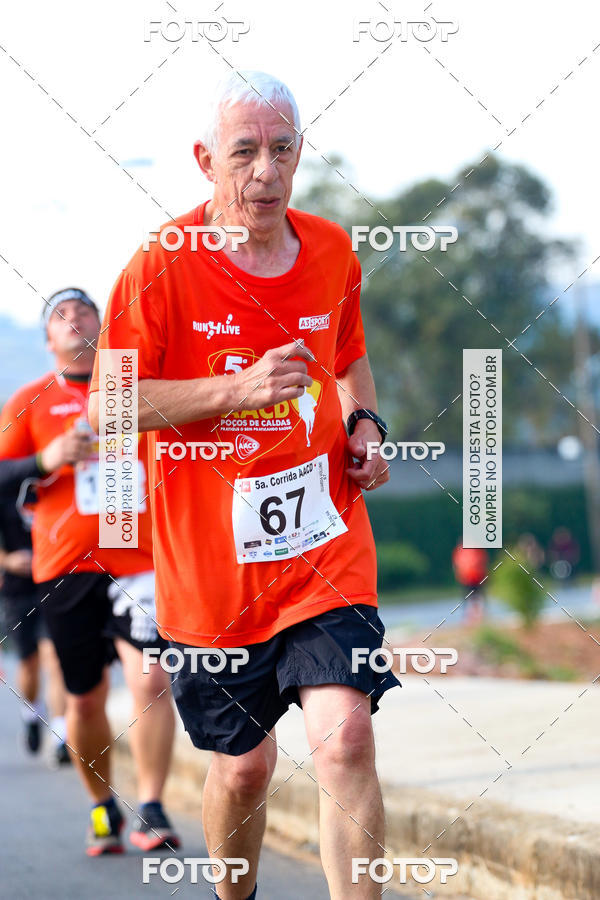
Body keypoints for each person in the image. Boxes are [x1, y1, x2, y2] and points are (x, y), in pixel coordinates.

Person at [89, 71, 399, 899]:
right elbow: (110, 404)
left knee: (345, 741)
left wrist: (366, 427)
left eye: (282, 149)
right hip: (209, 577)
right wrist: (234, 390)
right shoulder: (161, 264)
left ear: (302, 154)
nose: (266, 169)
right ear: (205, 160)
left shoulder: (332, 251)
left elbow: (349, 360)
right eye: (245, 152)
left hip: (323, 550)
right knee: (244, 768)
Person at [0, 287, 179, 855]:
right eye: (61, 315)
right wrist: (46, 462)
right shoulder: (31, 401)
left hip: (137, 559)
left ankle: (150, 806)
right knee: (84, 700)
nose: (74, 319)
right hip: (66, 567)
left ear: (103, 328)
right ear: (48, 339)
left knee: (151, 679)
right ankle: (103, 806)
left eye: (85, 311)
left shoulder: (137, 391)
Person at [0, 483, 69, 764]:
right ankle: (31, 712)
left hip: (54, 583)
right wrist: (7, 560)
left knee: (55, 659)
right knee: (29, 665)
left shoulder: (56, 480)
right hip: (17, 589)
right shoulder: (5, 485)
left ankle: (60, 736)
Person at [452, 542, 489, 624]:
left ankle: (481, 616)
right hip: (466, 579)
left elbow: (483, 561)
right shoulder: (461, 550)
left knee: (479, 598)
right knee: (467, 598)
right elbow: (456, 564)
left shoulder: (477, 549)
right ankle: (468, 617)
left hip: (477, 578)